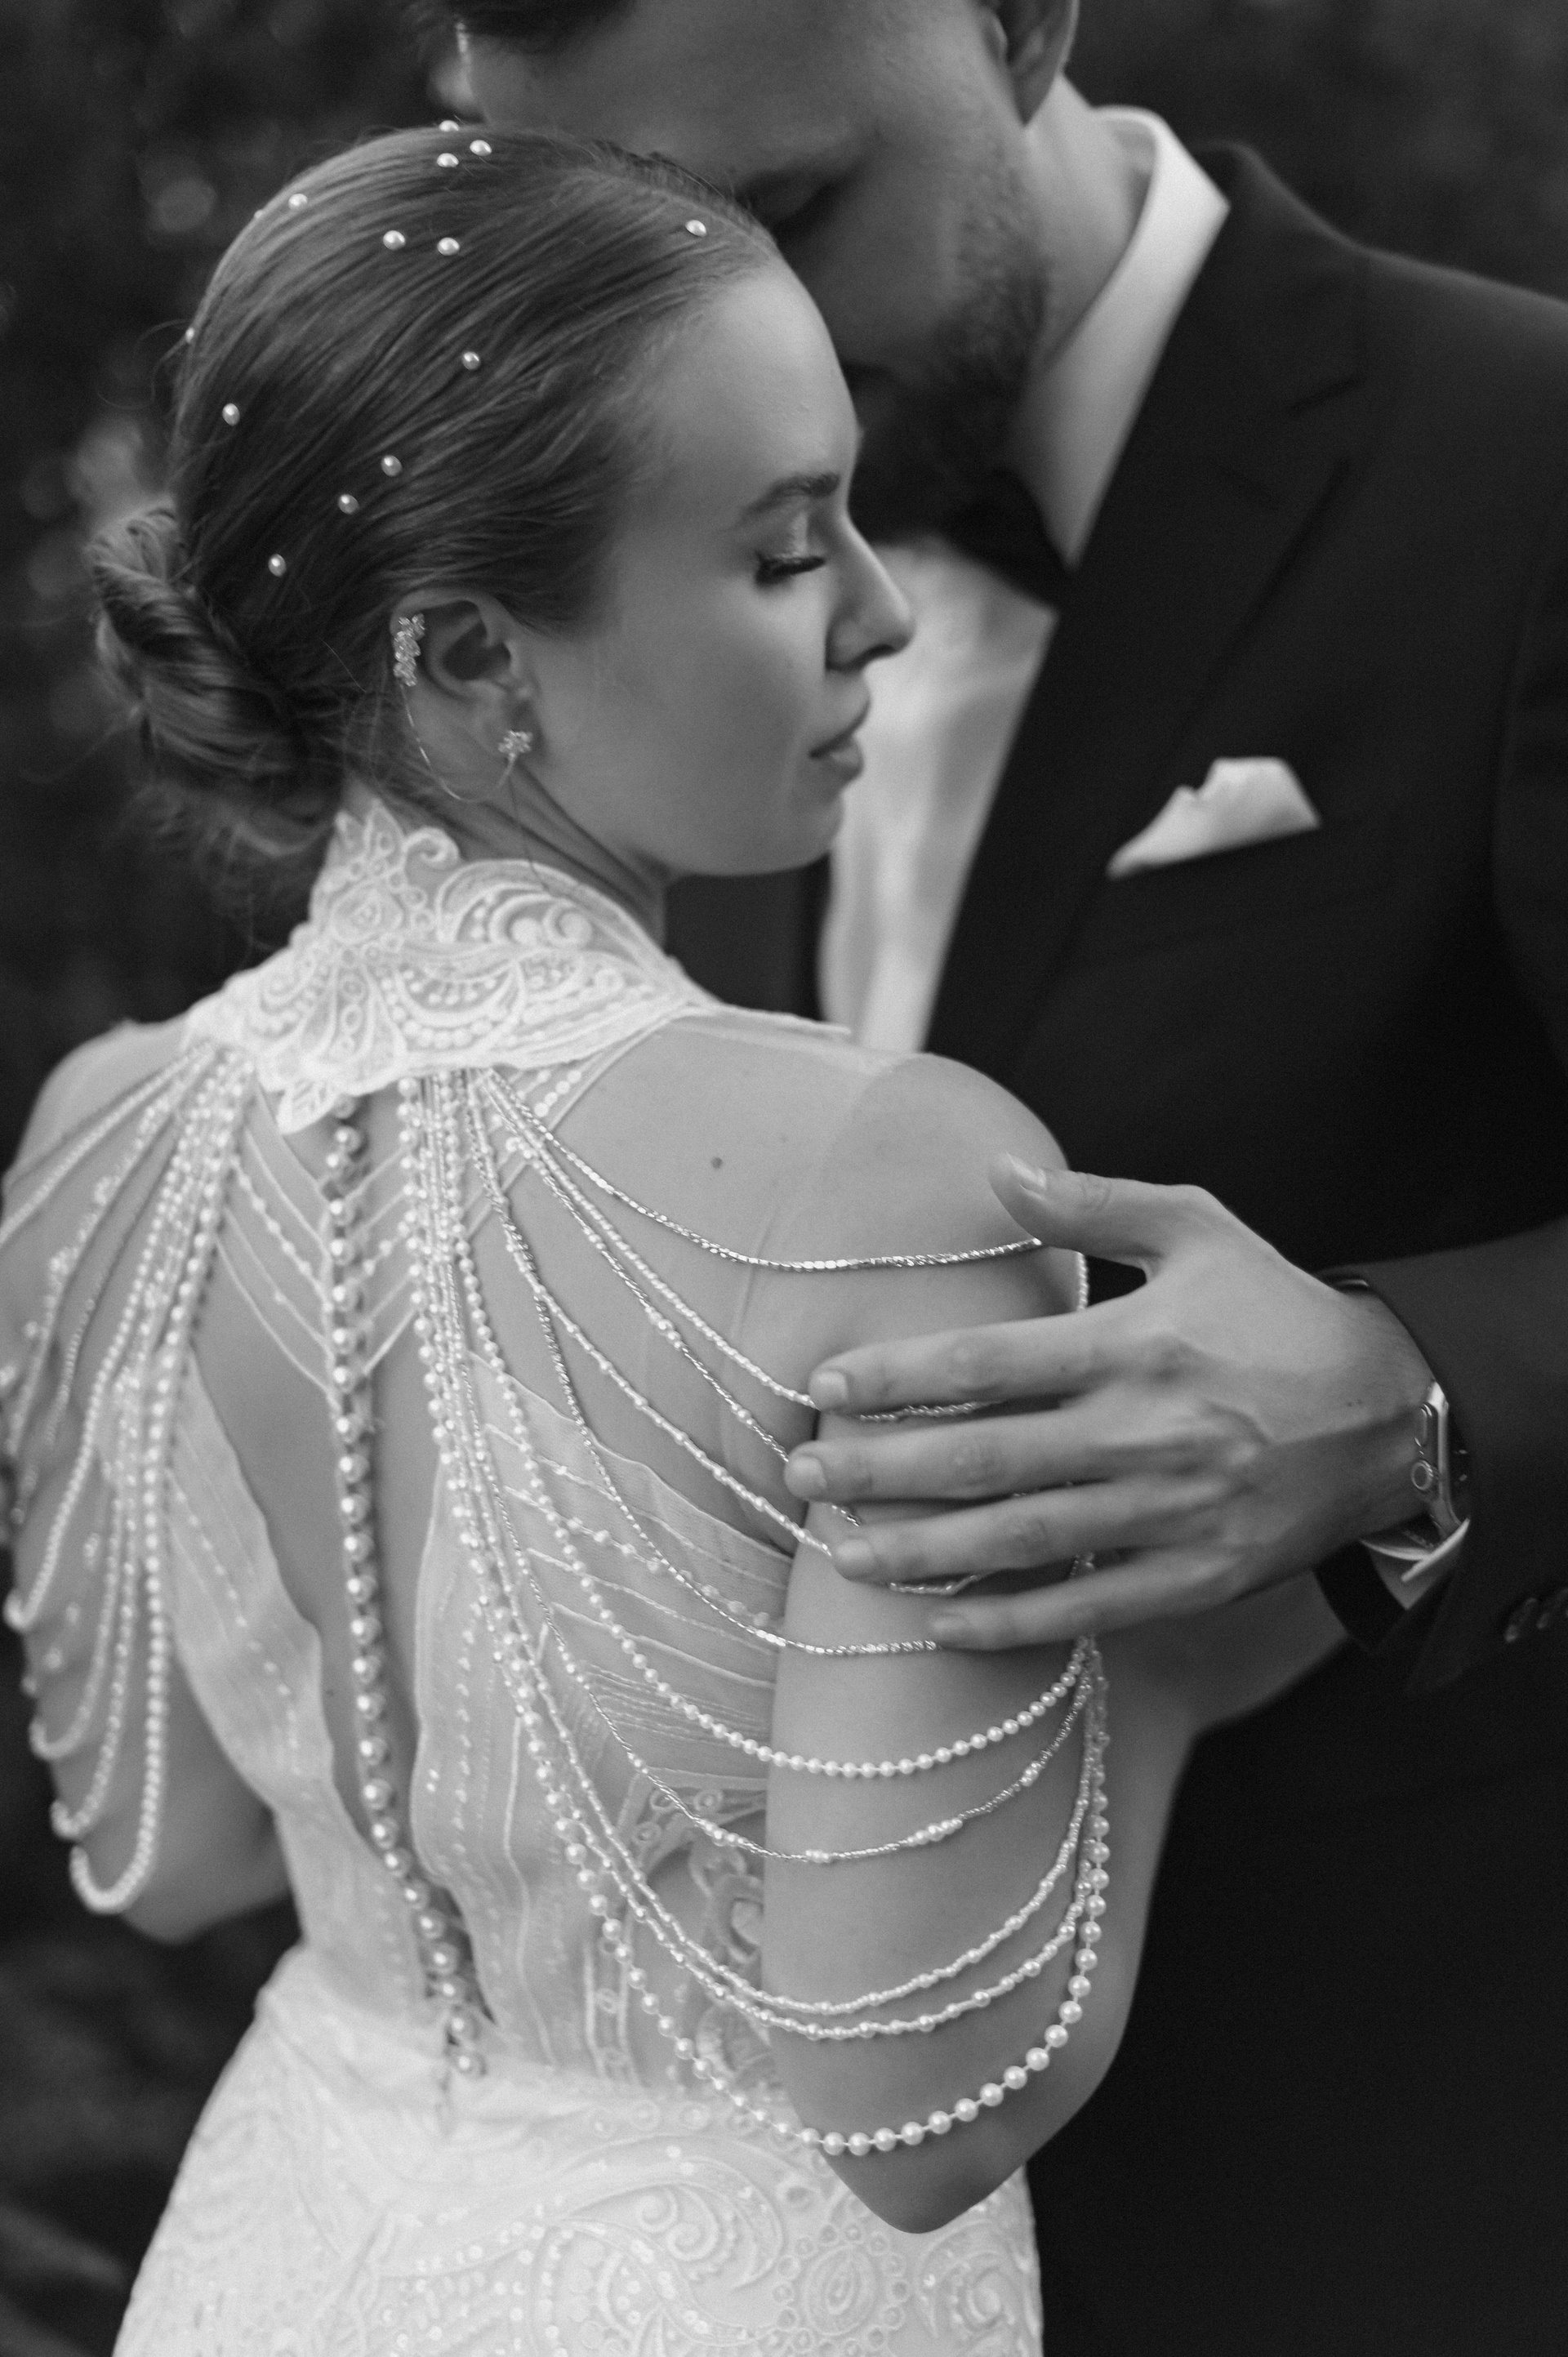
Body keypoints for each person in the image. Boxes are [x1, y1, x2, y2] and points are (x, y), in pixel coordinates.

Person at [0, 128, 1335, 2355]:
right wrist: (1182, 1662)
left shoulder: (109, 1135)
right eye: (785, 548)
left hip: (280, 2254)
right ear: (465, 651)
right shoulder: (886, 1173)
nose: (881, 609)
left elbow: (169, 1858)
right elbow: (915, 2099)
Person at [450, 2, 1568, 2350]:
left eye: (782, 212)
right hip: (767, 2240)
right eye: (608, 254)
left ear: (1031, 16)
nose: (701, 342)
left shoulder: (1527, 460)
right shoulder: (609, 599)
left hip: (1420, 2159)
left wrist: (1416, 1395)